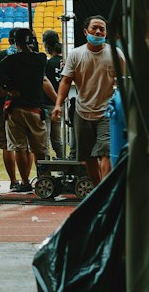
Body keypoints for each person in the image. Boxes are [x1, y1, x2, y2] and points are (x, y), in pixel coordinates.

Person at [52, 15, 125, 186]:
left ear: (106, 33)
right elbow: (65, 81)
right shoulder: (76, 54)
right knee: (88, 157)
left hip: (107, 111)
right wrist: (58, 104)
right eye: (94, 28)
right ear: (86, 32)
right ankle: (98, 188)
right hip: (82, 111)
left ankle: (105, 189)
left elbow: (125, 79)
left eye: (102, 29)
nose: (98, 31)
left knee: (106, 152)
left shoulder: (115, 54)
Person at [0, 27, 57, 191]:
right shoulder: (41, 59)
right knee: (40, 149)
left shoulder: (11, 60)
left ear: (15, 42)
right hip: (35, 108)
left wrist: (7, 87)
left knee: (19, 147)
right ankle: (43, 180)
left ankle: (25, 182)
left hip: (15, 107)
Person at [0, 30, 19, 187]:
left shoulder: (0, 55)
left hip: (3, 103)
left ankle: (14, 181)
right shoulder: (30, 55)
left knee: (7, 143)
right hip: (24, 101)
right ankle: (27, 180)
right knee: (24, 143)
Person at [42, 29, 65, 157]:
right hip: (60, 105)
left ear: (47, 45)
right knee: (57, 140)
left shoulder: (47, 63)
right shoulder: (65, 62)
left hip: (47, 104)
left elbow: (44, 83)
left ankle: (45, 170)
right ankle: (63, 165)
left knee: (44, 141)